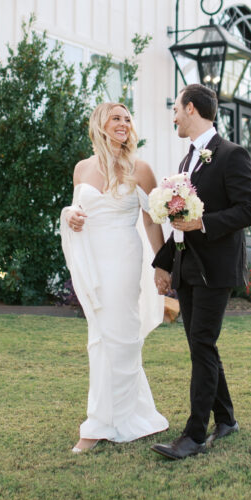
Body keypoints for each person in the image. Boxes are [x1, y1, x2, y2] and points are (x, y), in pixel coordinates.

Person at [151, 84, 251, 460]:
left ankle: (194, 435)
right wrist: (163, 263)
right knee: (202, 346)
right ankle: (226, 419)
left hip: (217, 269)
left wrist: (204, 224)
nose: (174, 116)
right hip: (188, 267)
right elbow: (181, 222)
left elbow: (249, 211)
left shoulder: (232, 154)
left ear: (192, 109)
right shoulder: (185, 163)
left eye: (176, 109)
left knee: (201, 343)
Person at [60, 102, 168, 453]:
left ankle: (98, 425)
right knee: (99, 338)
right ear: (100, 124)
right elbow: (78, 210)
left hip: (123, 256)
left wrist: (163, 265)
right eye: (116, 117)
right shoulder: (81, 169)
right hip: (94, 258)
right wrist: (71, 216)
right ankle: (132, 414)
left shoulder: (141, 168)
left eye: (127, 118)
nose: (123, 123)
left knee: (120, 335)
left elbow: (151, 220)